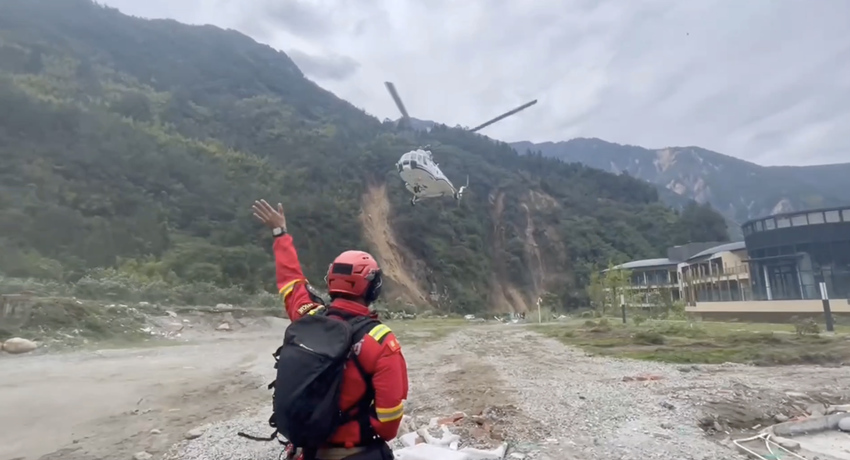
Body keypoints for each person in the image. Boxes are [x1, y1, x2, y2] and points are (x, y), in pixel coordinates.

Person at [252, 199, 409, 460]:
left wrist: (280, 233)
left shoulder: (308, 316)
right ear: (372, 288)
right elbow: (388, 424)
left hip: (308, 450)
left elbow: (291, 282)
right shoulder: (381, 342)